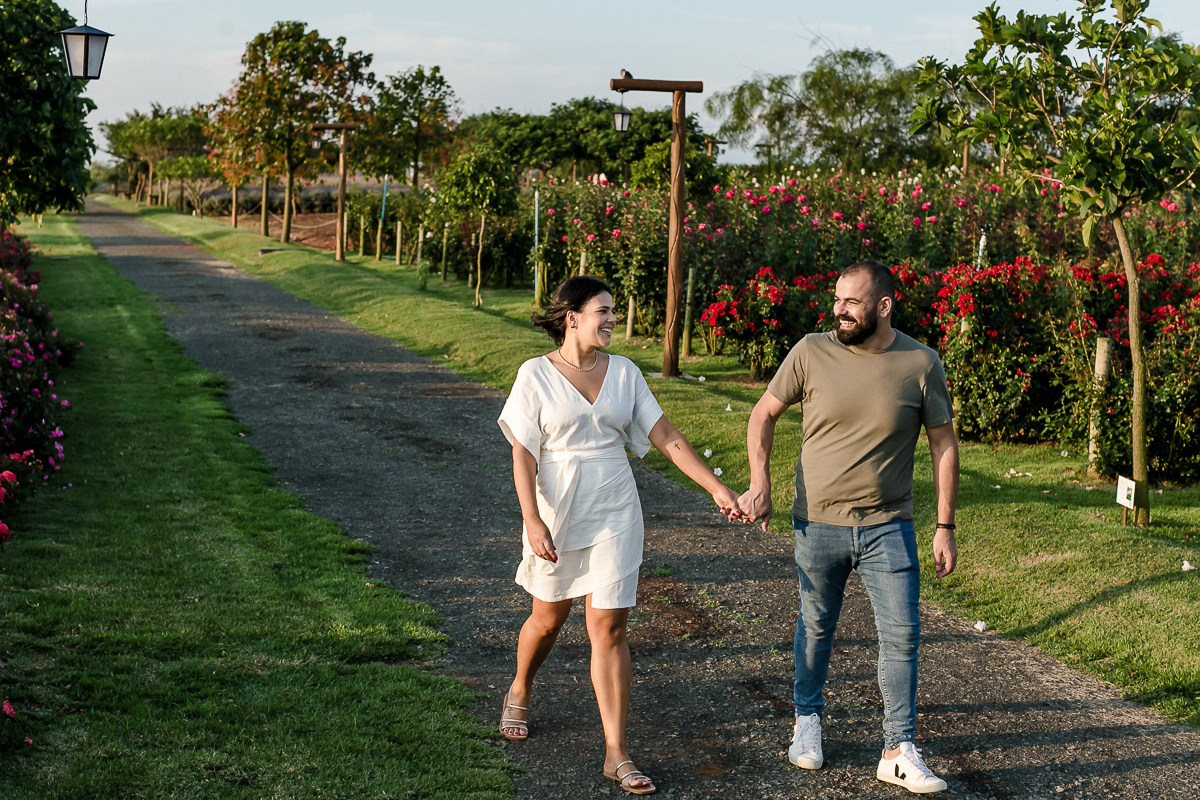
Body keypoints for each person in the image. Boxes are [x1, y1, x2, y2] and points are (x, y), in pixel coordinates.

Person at [497, 276, 742, 796]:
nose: (612, 319)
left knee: (608, 629)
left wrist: (716, 488)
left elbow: (667, 436)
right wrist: (531, 521)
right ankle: (520, 686)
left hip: (615, 506)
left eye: (613, 311)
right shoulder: (534, 375)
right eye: (603, 311)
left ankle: (616, 753)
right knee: (547, 618)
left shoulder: (626, 373)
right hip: (557, 508)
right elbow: (522, 453)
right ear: (572, 317)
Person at [737, 260, 959, 795]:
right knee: (816, 625)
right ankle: (807, 724)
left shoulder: (920, 363)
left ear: (883, 306)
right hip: (817, 522)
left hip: (889, 525)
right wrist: (759, 480)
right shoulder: (812, 351)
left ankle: (898, 748)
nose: (839, 310)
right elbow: (763, 413)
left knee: (902, 635)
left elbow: (943, 444)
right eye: (836, 299)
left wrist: (945, 524)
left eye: (851, 302)